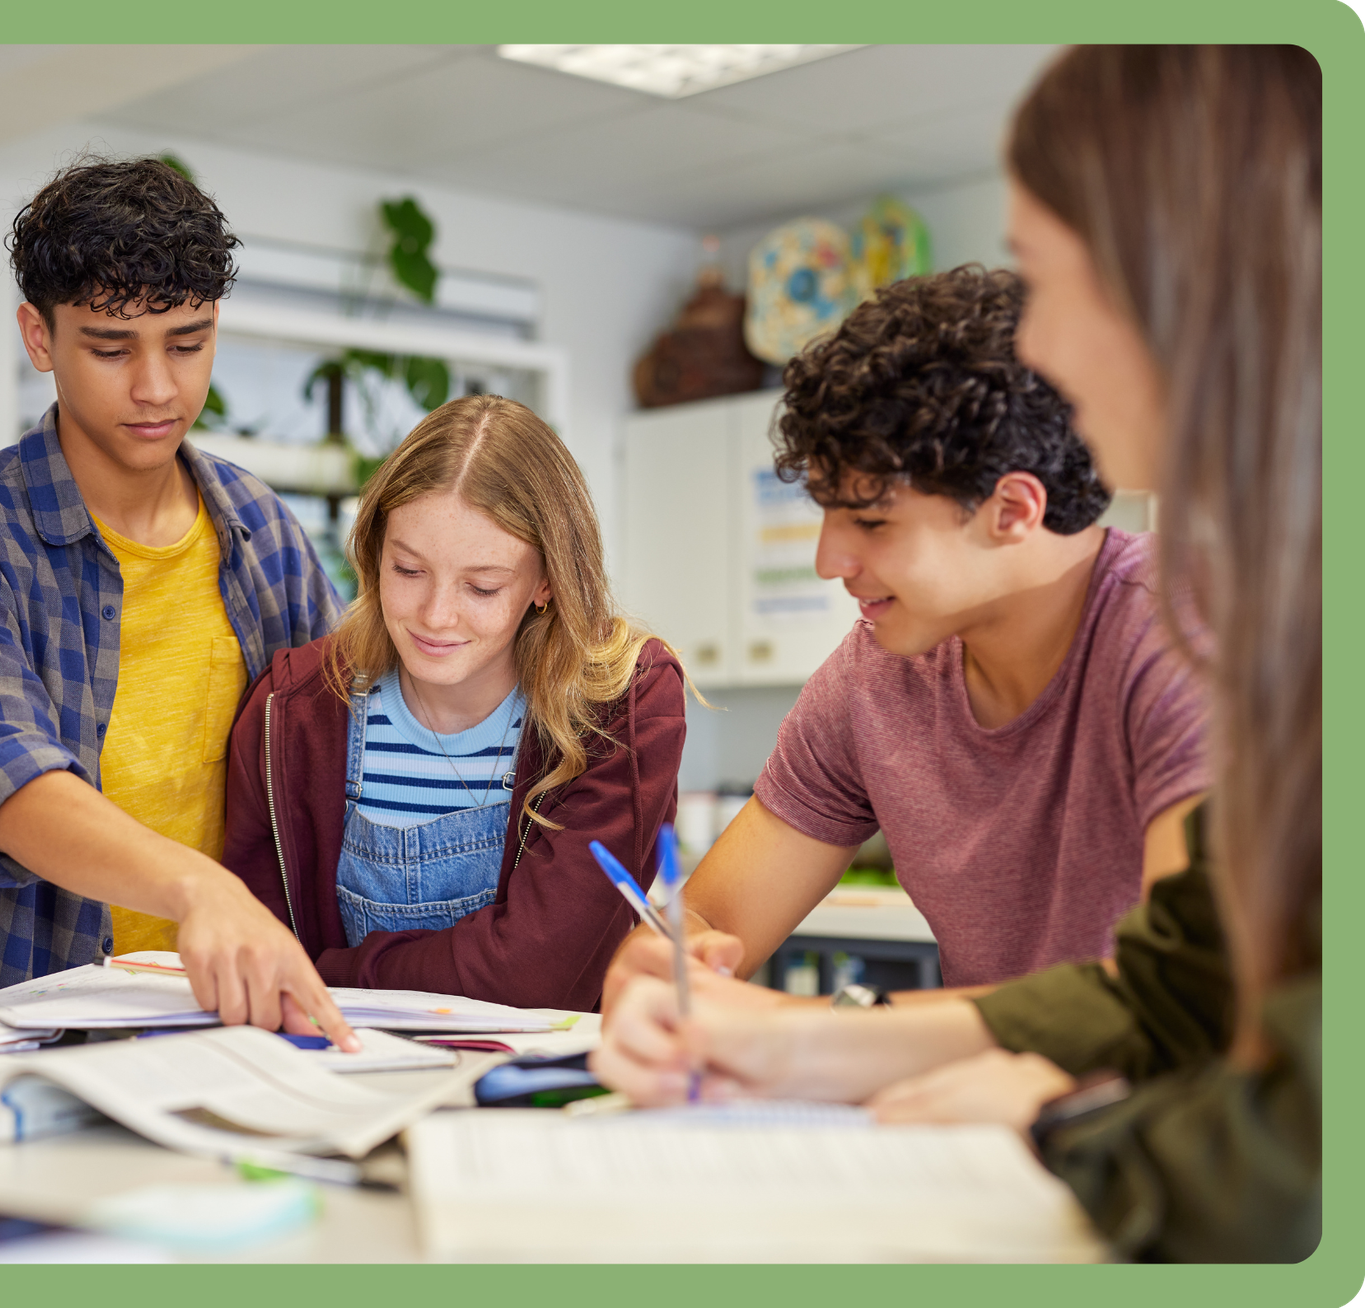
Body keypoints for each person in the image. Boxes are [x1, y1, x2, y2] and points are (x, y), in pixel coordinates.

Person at [594, 45, 1319, 1262]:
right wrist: (731, 1012)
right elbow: (1175, 983)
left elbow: (1257, 1086)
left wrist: (1059, 1120)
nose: (832, 563)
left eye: (1048, 278)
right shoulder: (878, 671)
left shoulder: (1206, 636)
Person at [603, 266, 1210, 1007]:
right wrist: (668, 957)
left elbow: (1184, 992)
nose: (830, 562)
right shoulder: (872, 681)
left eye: (872, 522)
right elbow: (709, 920)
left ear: (1012, 510)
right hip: (987, 1112)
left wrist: (822, 1036)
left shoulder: (1184, 635)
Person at [0, 156, 355, 1047]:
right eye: (110, 349)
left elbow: (339, 754)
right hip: (4, 1024)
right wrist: (201, 887)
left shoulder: (262, 530)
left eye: (189, 343)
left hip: (209, 1020)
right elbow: (12, 791)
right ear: (39, 337)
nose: (157, 388)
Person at [222, 395, 686, 1011]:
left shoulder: (621, 703)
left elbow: (532, 974)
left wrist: (326, 977)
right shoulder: (292, 710)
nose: (436, 617)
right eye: (408, 570)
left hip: (534, 1096)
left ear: (548, 581)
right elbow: (257, 957)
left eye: (482, 586)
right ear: (372, 555)